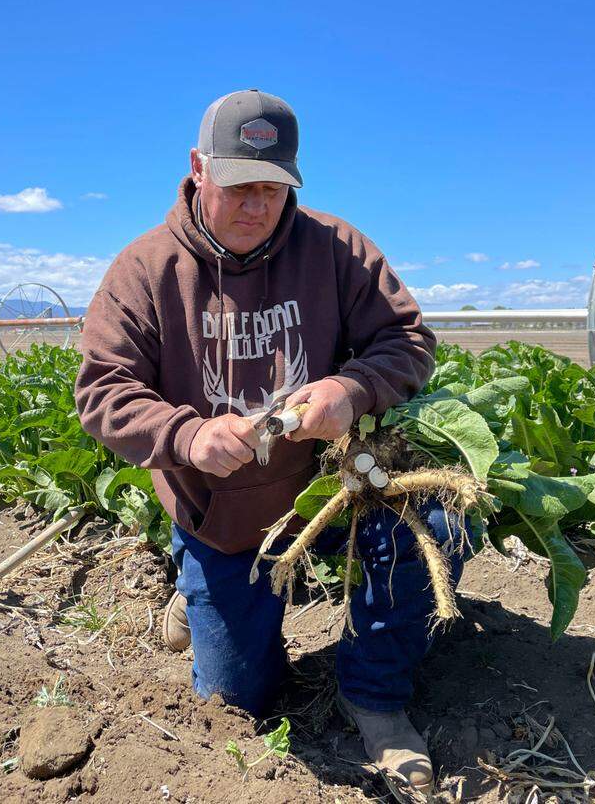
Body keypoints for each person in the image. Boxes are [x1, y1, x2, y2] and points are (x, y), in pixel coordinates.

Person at [74, 89, 468, 800]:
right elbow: (101, 392)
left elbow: (408, 340)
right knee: (238, 703)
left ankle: (376, 695)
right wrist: (186, 436)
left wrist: (350, 391)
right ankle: (197, 592)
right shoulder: (145, 271)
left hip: (334, 495)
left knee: (437, 517)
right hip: (225, 523)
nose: (256, 205)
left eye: (273, 188)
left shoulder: (336, 249)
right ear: (198, 169)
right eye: (238, 186)